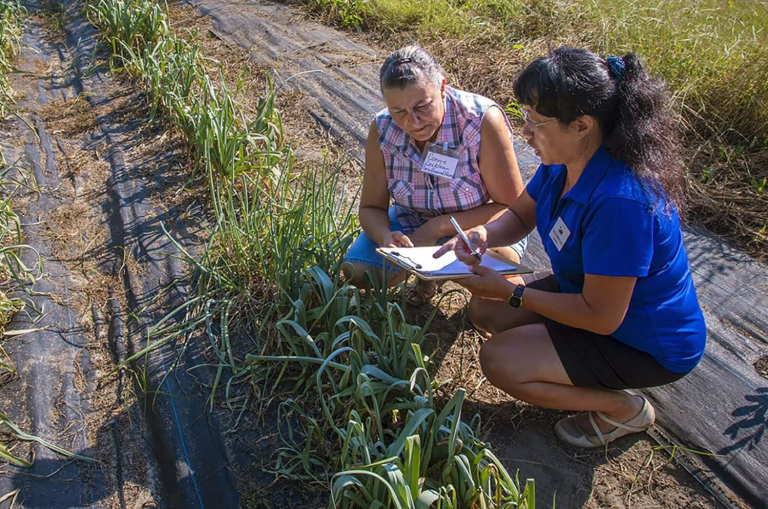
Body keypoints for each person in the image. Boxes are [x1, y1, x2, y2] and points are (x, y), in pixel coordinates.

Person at [434, 47, 706, 448]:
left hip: (640, 340)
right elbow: (522, 215)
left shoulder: (620, 203)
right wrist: (483, 235)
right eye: (524, 114)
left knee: (499, 361)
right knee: (485, 309)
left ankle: (622, 409)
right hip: (586, 295)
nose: (525, 131)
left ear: (581, 125)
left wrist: (515, 293)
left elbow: (601, 317)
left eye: (535, 120)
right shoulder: (563, 160)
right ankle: (562, 360)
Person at [342, 45, 527, 305]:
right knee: (359, 273)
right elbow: (372, 207)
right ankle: (428, 274)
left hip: (480, 227)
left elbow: (511, 208)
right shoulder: (382, 129)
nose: (413, 122)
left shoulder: (480, 120)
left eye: (422, 106)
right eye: (399, 112)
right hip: (411, 220)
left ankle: (442, 276)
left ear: (442, 87)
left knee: (500, 294)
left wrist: (438, 227)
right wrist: (385, 236)